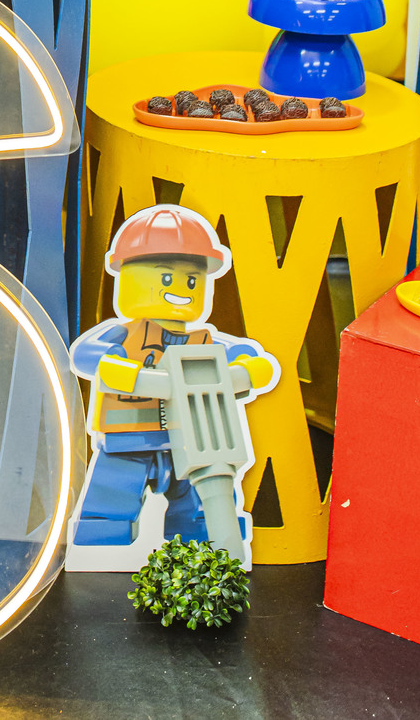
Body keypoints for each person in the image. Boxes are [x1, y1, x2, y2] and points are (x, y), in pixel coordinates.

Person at [69, 204, 276, 551]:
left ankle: (203, 543)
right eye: (166, 278)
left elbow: (244, 354)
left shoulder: (204, 341)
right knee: (111, 499)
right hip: (129, 442)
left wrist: (248, 368)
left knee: (202, 507)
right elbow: (85, 354)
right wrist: (114, 365)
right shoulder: (124, 336)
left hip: (194, 442)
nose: (181, 288)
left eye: (192, 280)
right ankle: (101, 543)